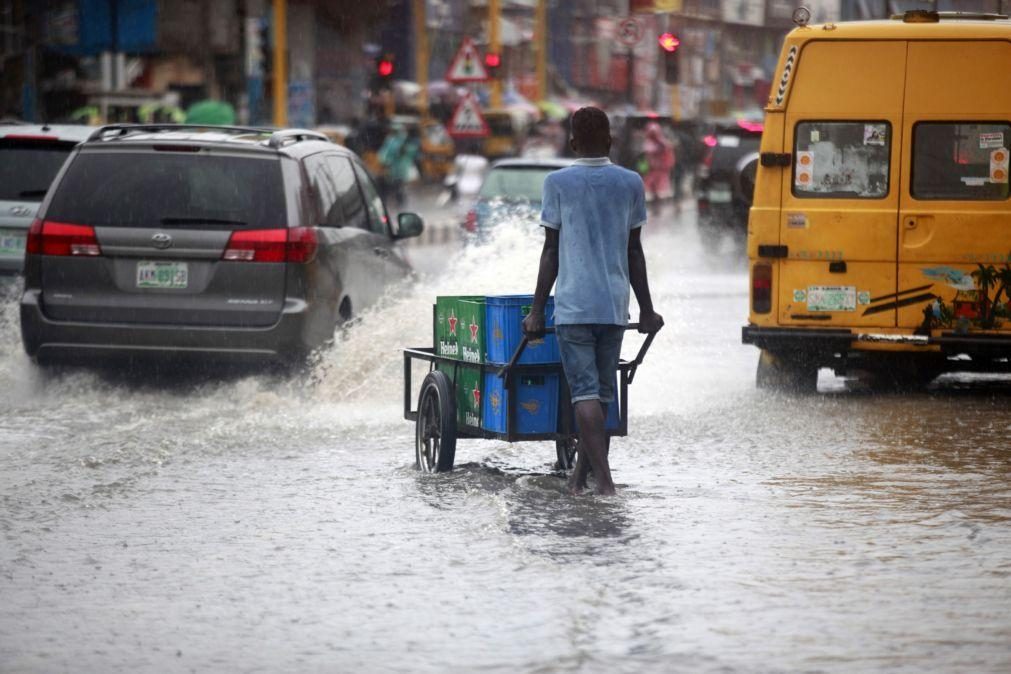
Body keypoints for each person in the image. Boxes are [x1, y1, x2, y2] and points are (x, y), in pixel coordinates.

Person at [521, 106, 664, 496]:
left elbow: (551, 251)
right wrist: (647, 309)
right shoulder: (631, 182)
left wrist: (536, 310)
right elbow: (635, 253)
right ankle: (578, 480)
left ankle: (604, 483)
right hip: (614, 308)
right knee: (602, 396)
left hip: (573, 308)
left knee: (584, 395)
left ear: (571, 143)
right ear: (611, 140)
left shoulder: (558, 183)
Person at [641, 122, 675, 208]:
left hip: (658, 169)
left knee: (657, 188)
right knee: (653, 187)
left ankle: (656, 203)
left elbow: (668, 154)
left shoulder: (662, 143)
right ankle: (655, 203)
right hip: (651, 169)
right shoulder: (649, 143)